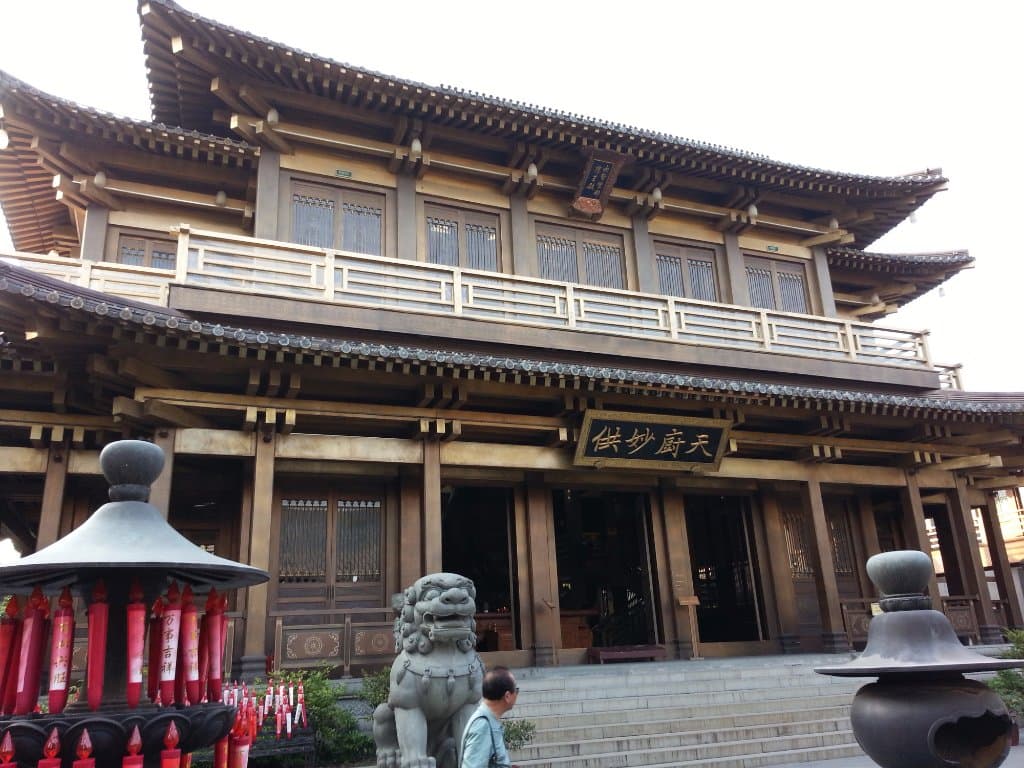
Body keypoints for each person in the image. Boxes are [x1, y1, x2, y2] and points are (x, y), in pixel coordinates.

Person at [459, 667, 518, 768]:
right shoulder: (482, 725)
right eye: (516, 690)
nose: (517, 694)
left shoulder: (489, 720)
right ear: (507, 696)